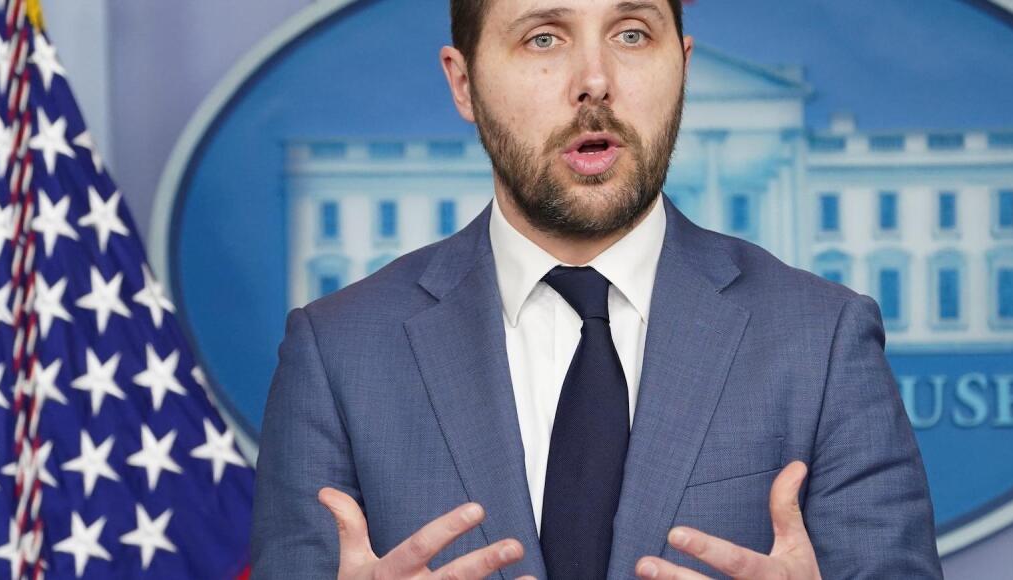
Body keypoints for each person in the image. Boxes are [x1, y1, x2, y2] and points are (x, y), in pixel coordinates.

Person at [249, 0, 943, 577]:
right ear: (464, 84)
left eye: (632, 34)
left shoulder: (823, 341)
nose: (595, 81)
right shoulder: (336, 353)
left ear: (683, 67)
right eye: (544, 37)